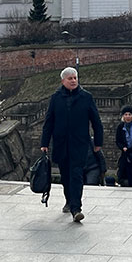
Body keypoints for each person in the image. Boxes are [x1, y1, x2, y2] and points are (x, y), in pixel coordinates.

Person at [40, 67, 104, 222]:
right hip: (61, 143)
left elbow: (96, 121)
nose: (74, 81)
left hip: (79, 143)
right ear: (63, 81)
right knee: (65, 175)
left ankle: (76, 208)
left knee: (76, 174)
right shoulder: (56, 98)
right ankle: (69, 200)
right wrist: (44, 142)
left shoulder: (86, 97)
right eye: (70, 78)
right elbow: (49, 121)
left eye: (75, 78)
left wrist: (98, 142)